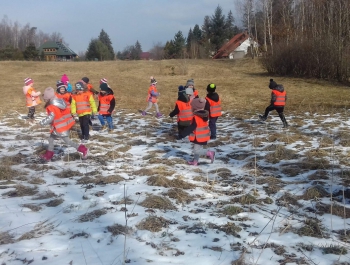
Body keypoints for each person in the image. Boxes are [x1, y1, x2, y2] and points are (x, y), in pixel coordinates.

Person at [39, 87, 88, 161]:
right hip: (60, 126)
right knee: (51, 139)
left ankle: (83, 149)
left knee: (68, 141)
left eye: (45, 99)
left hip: (60, 128)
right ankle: (49, 155)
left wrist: (42, 122)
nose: (44, 101)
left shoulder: (52, 106)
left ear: (48, 99)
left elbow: (51, 117)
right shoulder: (59, 102)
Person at [179, 98, 215, 166]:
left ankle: (209, 153)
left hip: (198, 136)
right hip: (203, 135)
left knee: (196, 150)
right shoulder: (204, 115)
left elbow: (192, 127)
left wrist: (182, 134)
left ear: (194, 107)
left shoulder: (196, 117)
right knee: (197, 149)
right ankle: (195, 161)